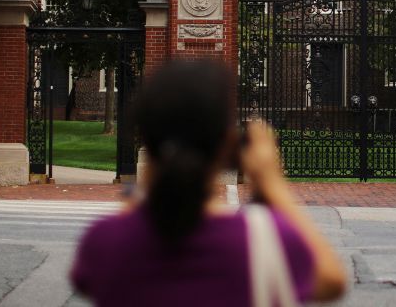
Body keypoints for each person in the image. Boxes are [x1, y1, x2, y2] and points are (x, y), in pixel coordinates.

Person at [70, 59, 347, 305]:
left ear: (144, 136)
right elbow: (331, 281)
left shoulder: (107, 242)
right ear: (228, 144)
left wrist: (148, 185)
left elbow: (87, 277)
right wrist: (272, 182)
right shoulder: (264, 242)